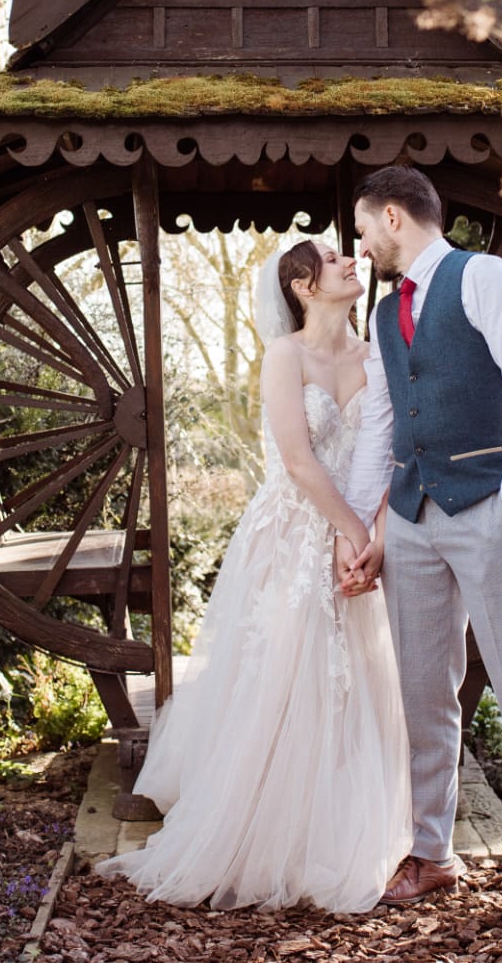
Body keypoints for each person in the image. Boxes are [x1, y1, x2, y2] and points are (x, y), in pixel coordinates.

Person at [92, 237, 412, 912]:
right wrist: (348, 535)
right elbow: (297, 461)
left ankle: (341, 826)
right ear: (302, 285)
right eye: (333, 260)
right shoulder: (283, 356)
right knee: (285, 678)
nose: (353, 262)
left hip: (362, 540)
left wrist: (372, 542)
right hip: (292, 535)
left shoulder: (377, 356)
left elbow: (393, 455)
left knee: (357, 680)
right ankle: (267, 828)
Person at [341, 163, 502, 930]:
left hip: (488, 509)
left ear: (395, 217)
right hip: (409, 515)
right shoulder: (381, 317)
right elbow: (382, 427)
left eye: (365, 228)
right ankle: (432, 852)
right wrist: (367, 529)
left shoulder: (485, 279)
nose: (361, 245)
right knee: (423, 692)